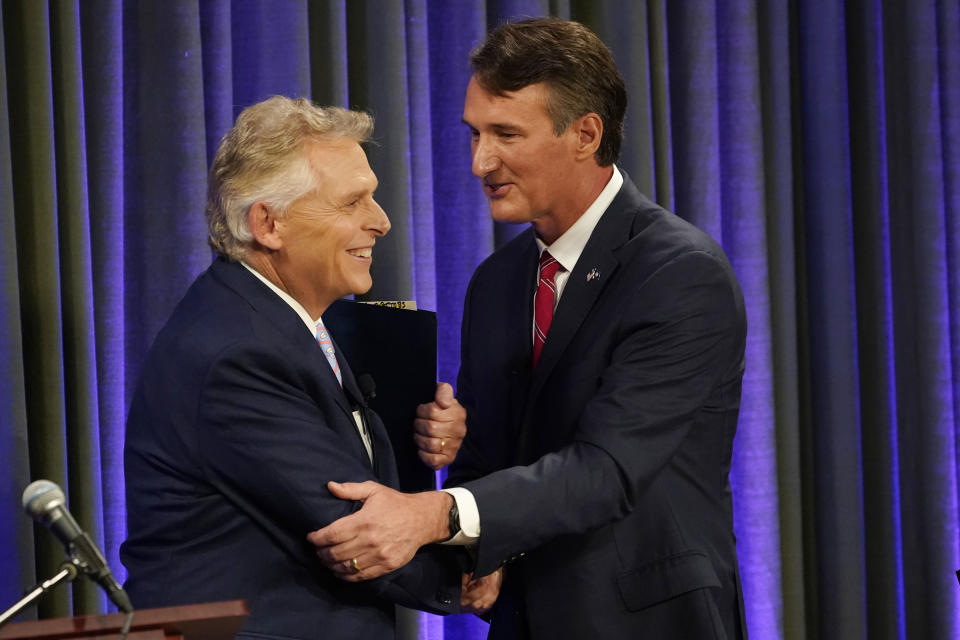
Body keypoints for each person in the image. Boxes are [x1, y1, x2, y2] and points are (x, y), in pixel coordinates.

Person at [309, 17, 748, 639]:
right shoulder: (497, 281)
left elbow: (607, 470)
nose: (479, 161)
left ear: (585, 135)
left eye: (505, 134)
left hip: (647, 620)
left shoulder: (679, 272)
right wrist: (462, 500)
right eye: (475, 134)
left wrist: (436, 514)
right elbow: (489, 457)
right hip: (522, 619)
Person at [120, 96, 469, 640]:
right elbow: (360, 531)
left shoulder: (283, 320)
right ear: (270, 223)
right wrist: (481, 574)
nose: (381, 221)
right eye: (353, 202)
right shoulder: (238, 352)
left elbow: (355, 467)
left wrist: (429, 442)